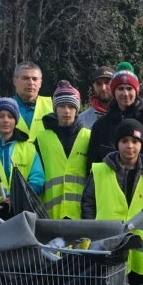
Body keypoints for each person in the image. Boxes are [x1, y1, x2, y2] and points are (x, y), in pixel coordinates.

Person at [81, 119, 143, 285]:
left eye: (135, 141)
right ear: (116, 143)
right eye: (124, 141)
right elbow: (88, 203)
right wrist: (91, 230)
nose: (130, 146)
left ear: (142, 144)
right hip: (107, 246)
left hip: (142, 251)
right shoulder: (100, 171)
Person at [36, 81, 91, 219]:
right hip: (50, 215)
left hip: (82, 214)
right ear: (55, 109)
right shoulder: (41, 139)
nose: (67, 111)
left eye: (71, 106)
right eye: (62, 106)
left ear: (77, 109)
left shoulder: (89, 137)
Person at [88, 62, 143, 168]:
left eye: (129, 89)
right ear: (114, 91)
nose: (125, 94)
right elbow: (92, 163)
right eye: (120, 89)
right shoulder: (101, 125)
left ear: (136, 91)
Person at [11, 62, 53, 141]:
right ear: (15, 81)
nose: (30, 83)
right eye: (25, 78)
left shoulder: (52, 107)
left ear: (40, 83)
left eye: (35, 79)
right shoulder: (4, 107)